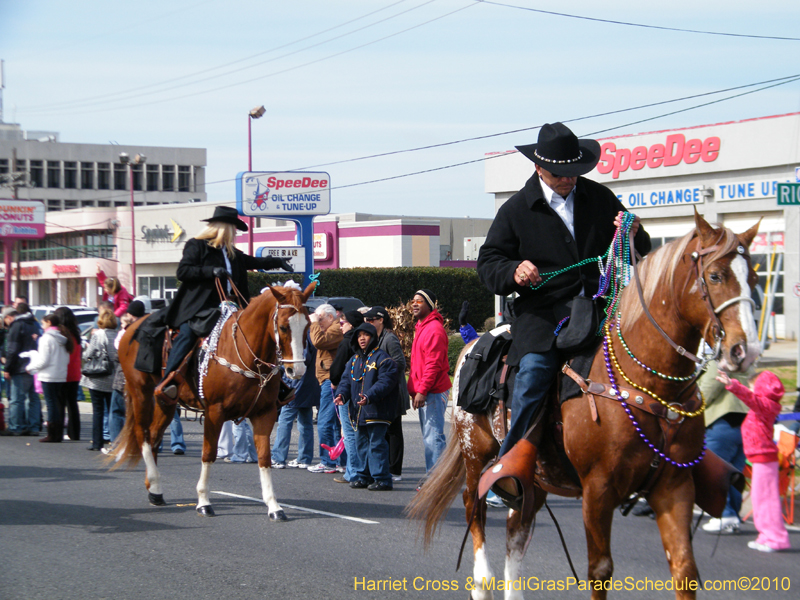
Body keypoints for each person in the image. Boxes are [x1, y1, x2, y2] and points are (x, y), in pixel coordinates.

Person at [476, 122, 650, 501]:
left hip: (598, 307)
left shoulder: (599, 197)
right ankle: (507, 467)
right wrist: (514, 270)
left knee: (643, 360)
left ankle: (648, 461)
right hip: (542, 314)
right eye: (560, 173)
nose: (569, 180)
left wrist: (633, 230)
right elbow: (488, 263)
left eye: (575, 172)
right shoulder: (516, 209)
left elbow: (641, 244)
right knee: (535, 373)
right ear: (539, 168)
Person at [154, 205, 292, 403]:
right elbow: (183, 272)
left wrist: (277, 262)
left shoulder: (230, 252)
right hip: (203, 307)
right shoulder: (196, 245)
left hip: (233, 306)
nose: (235, 233)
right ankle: (170, 380)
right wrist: (210, 271)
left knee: (257, 336)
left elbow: (252, 261)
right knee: (188, 333)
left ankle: (273, 382)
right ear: (223, 228)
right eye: (233, 229)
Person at [716, 369, 791, 552]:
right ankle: (766, 535)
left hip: (764, 459)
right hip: (760, 459)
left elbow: (752, 399)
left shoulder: (765, 405)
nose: (752, 390)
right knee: (760, 499)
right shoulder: (764, 406)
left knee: (767, 500)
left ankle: (776, 538)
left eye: (753, 387)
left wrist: (733, 385)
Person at [334, 322, 399, 491]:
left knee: (377, 443)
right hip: (358, 411)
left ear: (373, 337)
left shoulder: (384, 359)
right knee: (360, 444)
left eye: (366, 335)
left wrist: (369, 396)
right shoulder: (353, 360)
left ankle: (382, 478)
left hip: (377, 410)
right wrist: (341, 395)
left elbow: (386, 383)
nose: (362, 338)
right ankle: (363, 476)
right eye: (359, 335)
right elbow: (345, 381)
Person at [699, 360, 752, 534]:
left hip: (721, 422)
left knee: (717, 473)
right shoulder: (745, 365)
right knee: (734, 473)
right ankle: (732, 516)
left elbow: (706, 392)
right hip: (744, 423)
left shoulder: (718, 363)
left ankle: (724, 515)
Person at [364, 305, 410, 482]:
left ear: (381, 320)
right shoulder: (374, 338)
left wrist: (382, 374)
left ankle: (395, 470)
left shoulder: (389, 338)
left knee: (393, 430)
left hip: (393, 392)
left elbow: (400, 363)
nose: (368, 323)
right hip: (381, 392)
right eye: (366, 320)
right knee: (383, 431)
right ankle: (383, 466)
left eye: (371, 320)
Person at [407, 289, 451, 475]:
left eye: (420, 301)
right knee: (431, 436)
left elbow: (433, 365)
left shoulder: (433, 330)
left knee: (433, 437)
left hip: (432, 392)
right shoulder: (422, 327)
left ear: (430, 305)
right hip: (426, 391)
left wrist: (422, 391)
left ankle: (435, 480)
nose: (414, 304)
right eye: (413, 300)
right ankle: (436, 477)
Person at [272, 334, 319, 469]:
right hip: (309, 385)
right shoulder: (312, 335)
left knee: (284, 422)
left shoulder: (302, 337)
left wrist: (283, 371)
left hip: (296, 384)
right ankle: (304, 458)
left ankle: (278, 457)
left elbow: (300, 361)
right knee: (305, 423)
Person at [25, 313, 73, 443]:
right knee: (55, 404)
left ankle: (52, 433)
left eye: (43, 323)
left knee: (51, 404)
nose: (42, 326)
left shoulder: (46, 338)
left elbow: (43, 360)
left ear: (49, 323)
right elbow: (67, 359)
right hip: (60, 374)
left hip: (48, 375)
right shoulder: (63, 338)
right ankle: (57, 433)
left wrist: (30, 367)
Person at [329, 310, 365, 482]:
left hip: (346, 391)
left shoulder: (346, 342)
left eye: (343, 323)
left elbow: (337, 369)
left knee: (348, 432)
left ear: (351, 324)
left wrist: (334, 381)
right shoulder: (360, 342)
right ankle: (358, 469)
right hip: (358, 389)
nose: (341, 326)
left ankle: (353, 471)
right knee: (356, 432)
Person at [308, 303, 344, 474]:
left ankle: (328, 461)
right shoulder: (332, 328)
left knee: (324, 422)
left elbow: (318, 342)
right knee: (336, 423)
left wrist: (314, 323)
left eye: (321, 318)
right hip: (327, 379)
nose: (318, 321)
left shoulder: (337, 329)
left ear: (331, 317)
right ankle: (339, 461)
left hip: (331, 381)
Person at [106, 300, 147, 447]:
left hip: (124, 377)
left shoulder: (126, 332)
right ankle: (146, 442)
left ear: (130, 314)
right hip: (145, 377)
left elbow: (118, 354)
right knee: (141, 411)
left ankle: (117, 444)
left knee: (117, 411)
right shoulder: (149, 329)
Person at [1, 303, 42, 436]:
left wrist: (7, 368)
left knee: (16, 399)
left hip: (20, 367)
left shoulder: (16, 326)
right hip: (34, 365)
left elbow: (12, 350)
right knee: (33, 398)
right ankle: (34, 426)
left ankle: (16, 426)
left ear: (8, 317)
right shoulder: (33, 324)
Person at [81, 310, 118, 451]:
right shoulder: (117, 335)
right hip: (112, 377)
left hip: (97, 378)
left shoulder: (98, 335)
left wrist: (86, 351)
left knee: (98, 411)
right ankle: (114, 440)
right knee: (112, 411)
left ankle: (97, 442)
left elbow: (88, 354)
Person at [54, 307, 84, 440]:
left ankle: (58, 432)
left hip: (63, 372)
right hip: (75, 372)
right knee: (72, 404)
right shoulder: (76, 333)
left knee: (60, 403)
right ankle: (74, 432)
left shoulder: (62, 335)